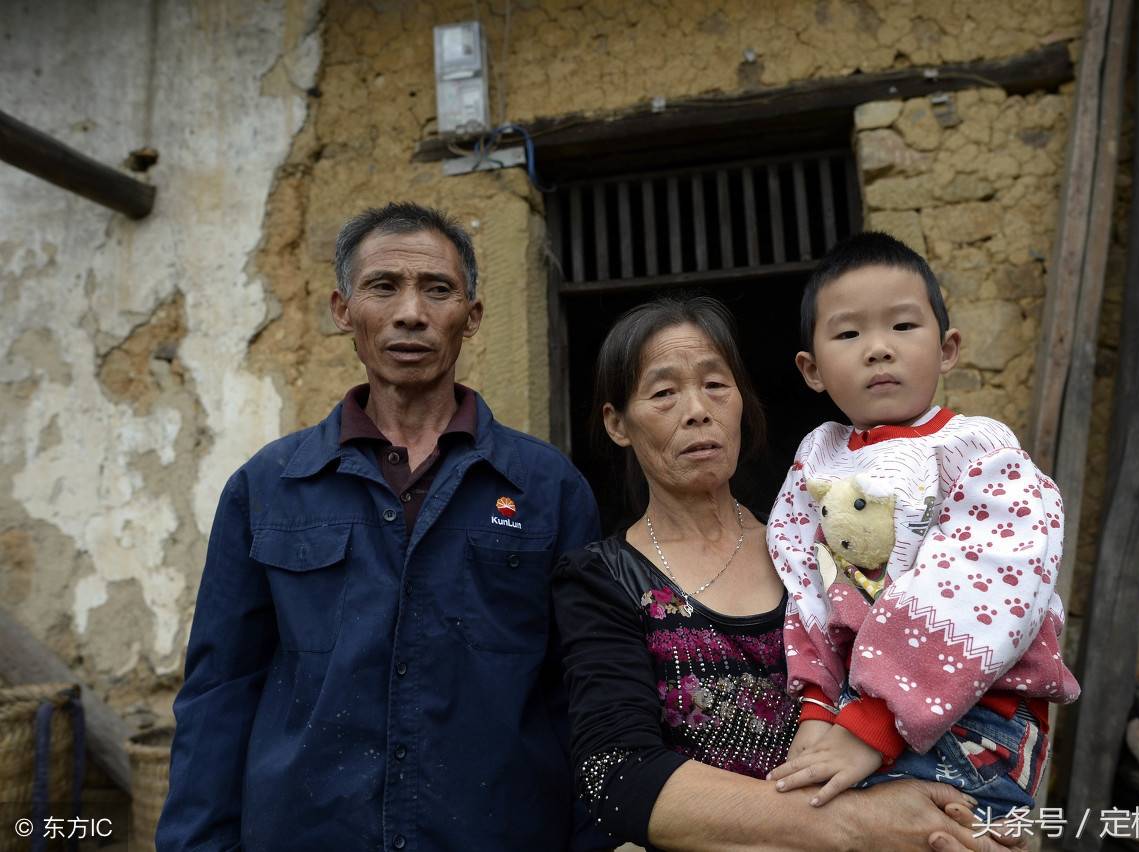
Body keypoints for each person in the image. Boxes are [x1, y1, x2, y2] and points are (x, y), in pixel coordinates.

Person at [157, 202, 603, 850]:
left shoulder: (548, 489)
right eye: (383, 286)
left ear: (471, 317)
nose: (411, 314)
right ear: (344, 311)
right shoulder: (267, 488)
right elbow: (219, 694)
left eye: (438, 289)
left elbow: (584, 697)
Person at [554, 294, 1031, 851]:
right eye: (663, 393)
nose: (697, 410)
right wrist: (861, 823)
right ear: (618, 424)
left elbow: (936, 657)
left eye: (716, 385)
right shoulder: (601, 579)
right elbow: (617, 777)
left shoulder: (816, 543)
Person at [765, 232, 1080, 818]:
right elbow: (806, 583)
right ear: (811, 369)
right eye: (849, 333)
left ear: (947, 348)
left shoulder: (977, 452)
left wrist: (869, 725)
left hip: (979, 717)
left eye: (903, 327)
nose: (878, 348)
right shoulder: (818, 459)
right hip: (858, 716)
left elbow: (984, 582)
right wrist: (815, 705)